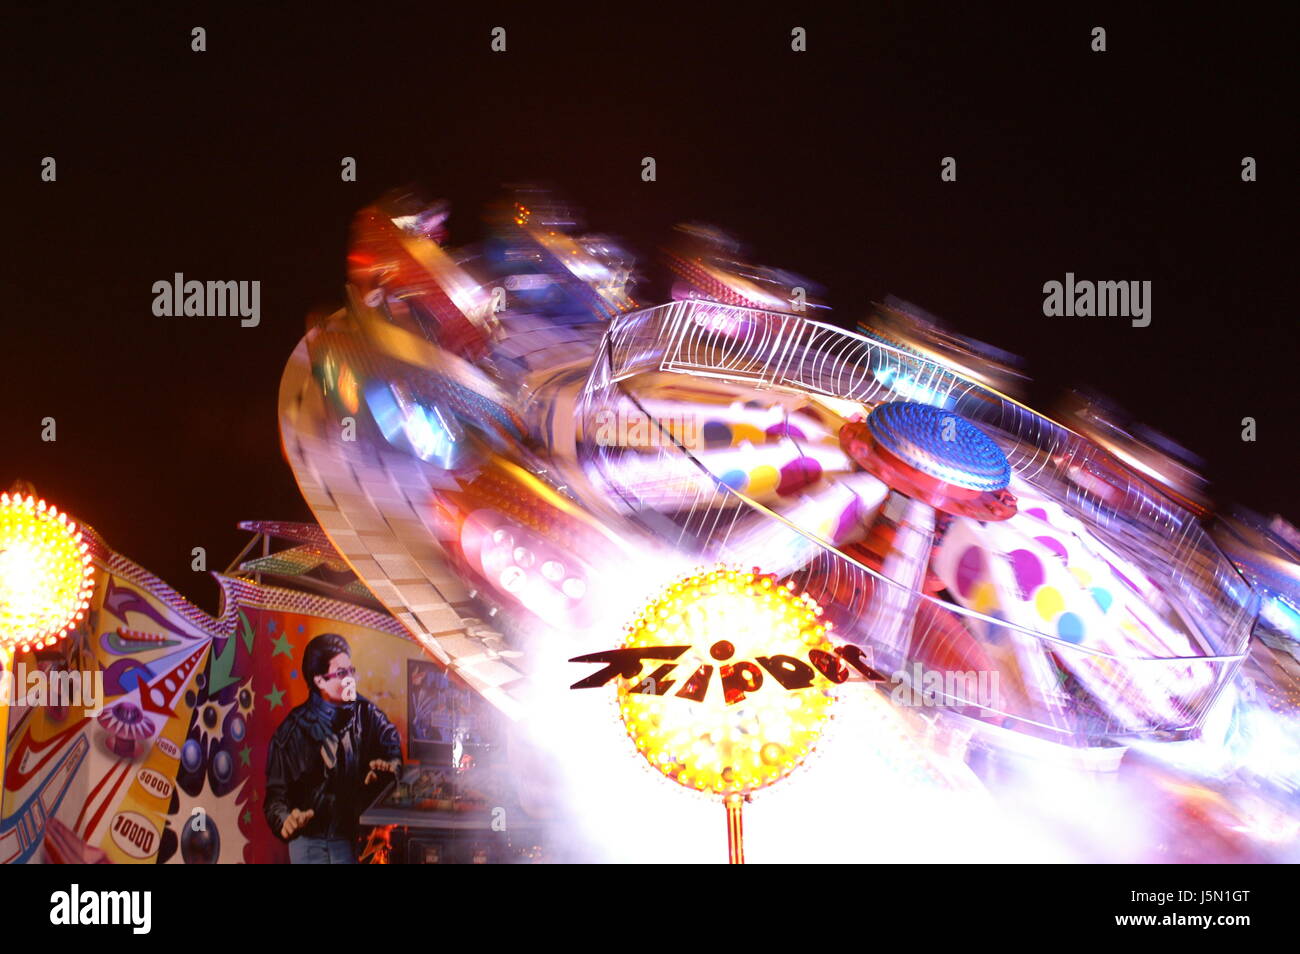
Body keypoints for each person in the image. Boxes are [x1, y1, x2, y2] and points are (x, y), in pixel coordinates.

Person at [264, 633, 402, 863]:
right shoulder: (291, 732)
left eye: (351, 671)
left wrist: (389, 769)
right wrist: (286, 820)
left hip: (347, 840)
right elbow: (275, 798)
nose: (350, 679)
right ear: (319, 680)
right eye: (341, 673)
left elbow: (391, 746)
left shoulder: (366, 714)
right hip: (307, 843)